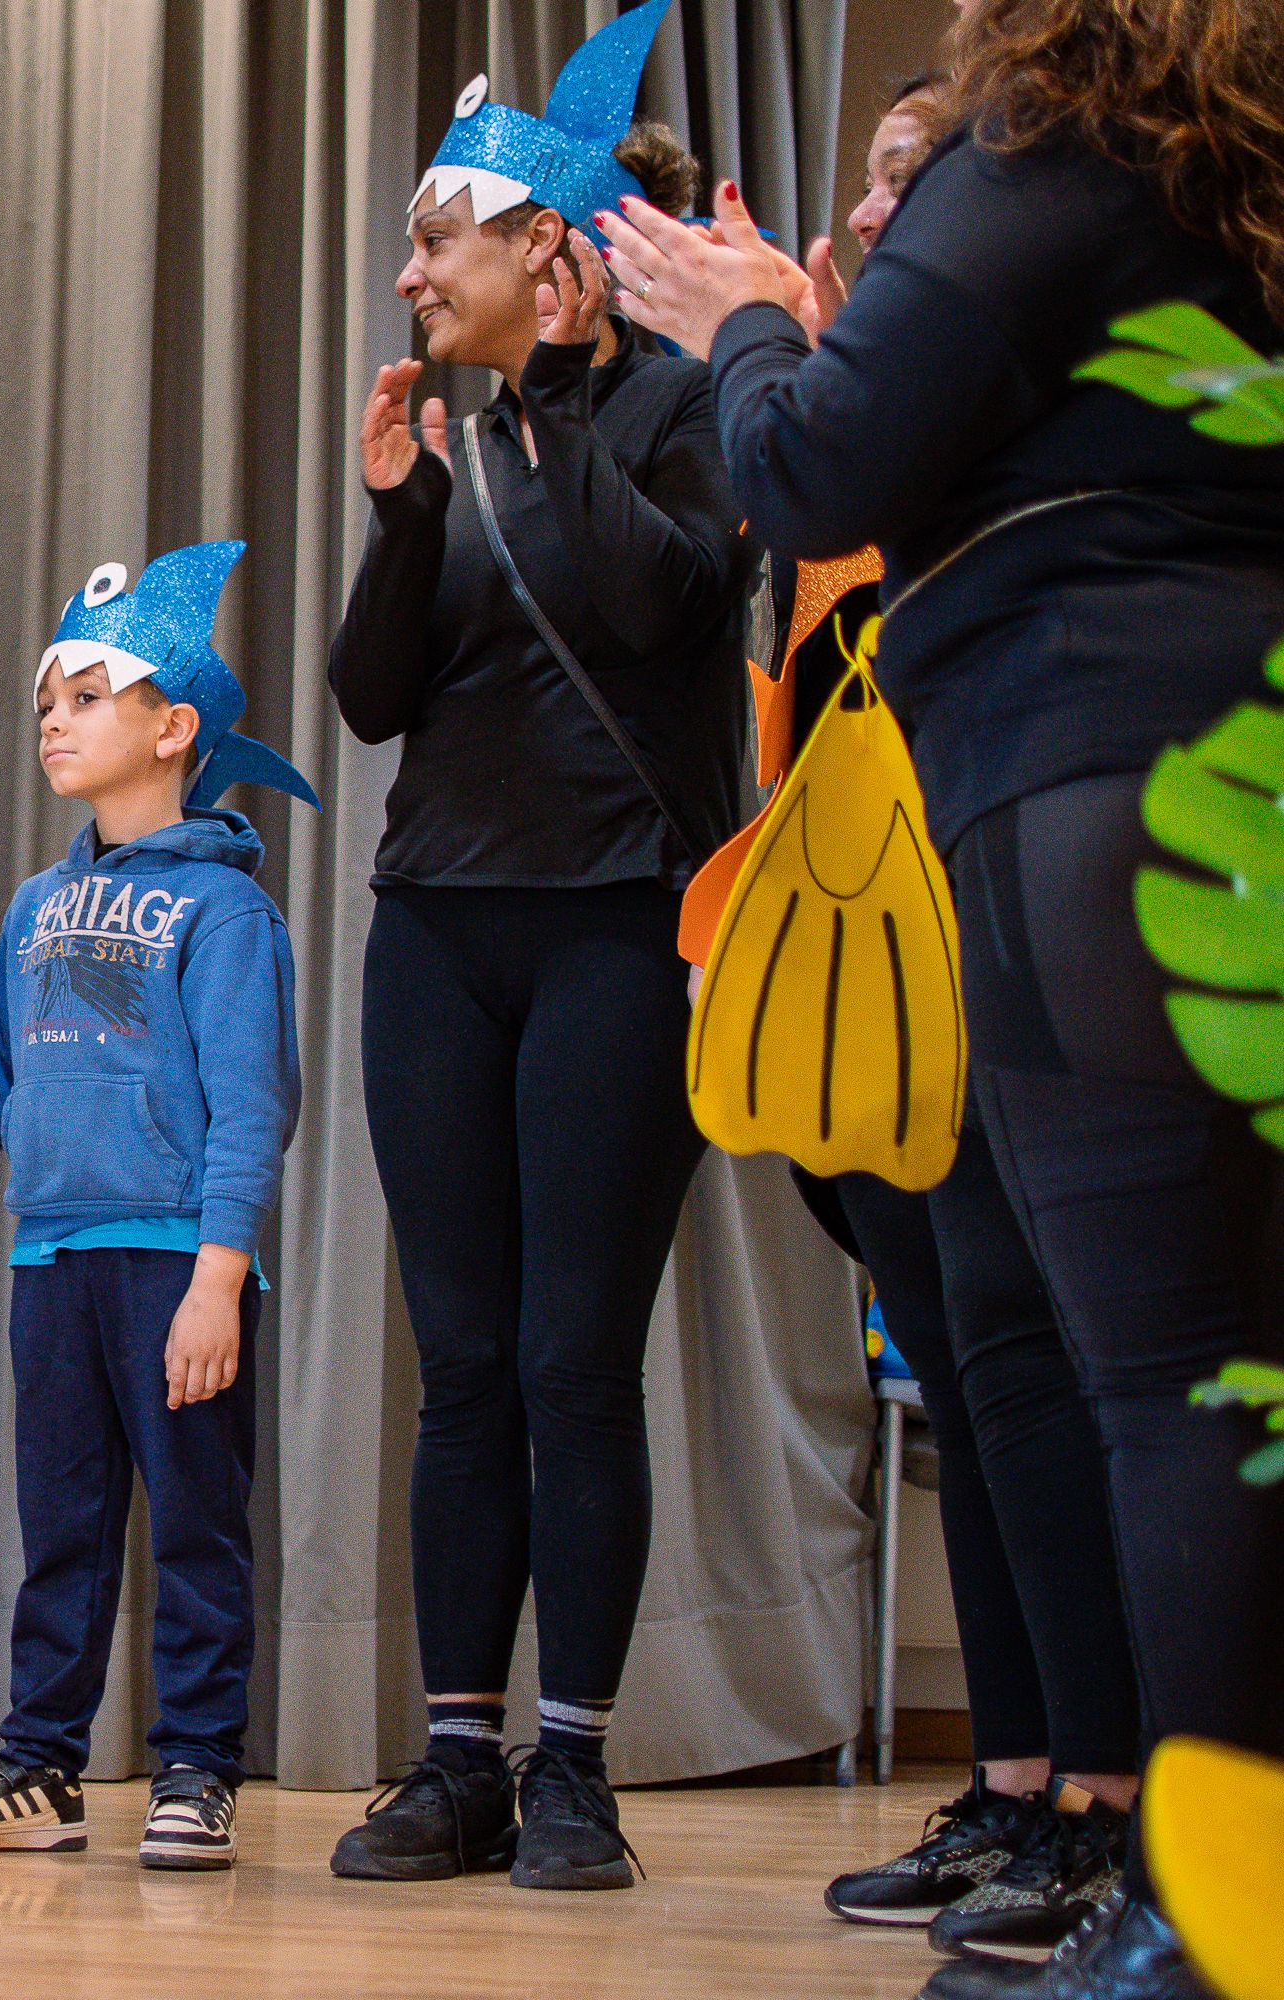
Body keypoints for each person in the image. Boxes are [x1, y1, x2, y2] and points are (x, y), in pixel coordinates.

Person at [601, 0, 1284, 1990]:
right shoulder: (1235, 186)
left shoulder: (1057, 149)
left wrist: (740, 313)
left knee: (1170, 1386)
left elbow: (814, 466)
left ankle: (1214, 1920)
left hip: (1106, 796)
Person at [322, 0, 758, 1894]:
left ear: (548, 254)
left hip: (613, 933)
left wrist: (570, 393)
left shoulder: (681, 406)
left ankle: (574, 1761)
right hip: (439, 927)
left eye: (443, 240)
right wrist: (406, 512)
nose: (413, 271)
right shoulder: (455, 434)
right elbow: (365, 699)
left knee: (581, 1358)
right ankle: (459, 1760)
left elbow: (666, 602)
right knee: (469, 1360)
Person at [771, 77, 1144, 1970]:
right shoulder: (865, 421)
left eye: (919, 174)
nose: (880, 202)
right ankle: (1017, 1787)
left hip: (1029, 926)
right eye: (876, 180)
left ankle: (1110, 1810)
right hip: (881, 981)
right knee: (974, 1393)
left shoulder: (997, 410)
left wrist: (786, 348)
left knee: (1056, 1379)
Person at [0, 542, 306, 1873]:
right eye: (47, 697)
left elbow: (251, 1106)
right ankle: (39, 1768)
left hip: (176, 1264)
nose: (53, 716)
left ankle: (198, 1771)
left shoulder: (226, 912)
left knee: (195, 1526)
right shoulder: (43, 907)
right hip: (52, 1264)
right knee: (58, 1532)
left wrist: (220, 1276)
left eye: (87, 694)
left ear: (173, 726)